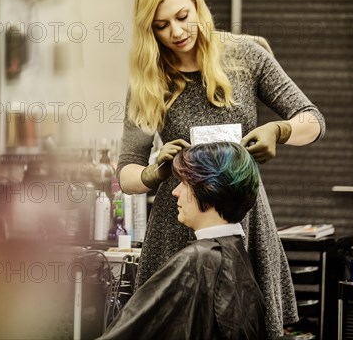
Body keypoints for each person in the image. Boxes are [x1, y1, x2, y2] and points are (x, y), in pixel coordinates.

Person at [117, 0, 325, 338]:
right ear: (149, 30)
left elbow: (312, 119)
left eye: (183, 17)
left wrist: (281, 129)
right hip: (177, 222)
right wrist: (154, 173)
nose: (177, 32)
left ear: (197, 6)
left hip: (242, 217)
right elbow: (126, 175)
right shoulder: (151, 80)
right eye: (162, 26)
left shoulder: (246, 55)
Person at [99, 142, 267, 339]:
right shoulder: (236, 250)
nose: (175, 191)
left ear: (208, 188)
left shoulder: (198, 260)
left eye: (185, 183)